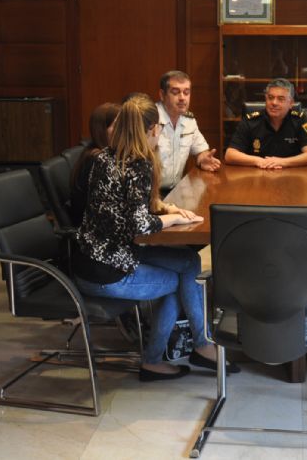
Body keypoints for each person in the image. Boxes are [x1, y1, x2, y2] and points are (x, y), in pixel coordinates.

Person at [73, 93, 239, 381]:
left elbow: (122, 206)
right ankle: (166, 357)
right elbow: (138, 224)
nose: (160, 131)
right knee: (176, 282)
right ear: (152, 130)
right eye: (159, 127)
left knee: (188, 261)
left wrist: (164, 207)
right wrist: (173, 217)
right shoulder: (138, 164)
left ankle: (199, 344)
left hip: (91, 255)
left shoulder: (102, 157)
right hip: (107, 269)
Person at [225, 78, 307, 169]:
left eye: (281, 99)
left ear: (291, 103)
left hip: (290, 177)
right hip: (257, 177)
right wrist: (258, 161)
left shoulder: (299, 120)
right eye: (270, 98)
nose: (274, 103)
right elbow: (230, 155)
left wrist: (283, 162)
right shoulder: (251, 121)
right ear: (265, 100)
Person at [156, 70, 220, 194]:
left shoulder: (189, 121)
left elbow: (201, 151)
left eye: (186, 92)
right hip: (149, 194)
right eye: (175, 92)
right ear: (162, 95)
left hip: (176, 191)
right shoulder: (150, 120)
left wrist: (203, 159)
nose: (182, 98)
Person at [69, 102, 120, 227]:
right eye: (117, 126)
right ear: (102, 130)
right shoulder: (97, 160)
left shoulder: (105, 153)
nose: (123, 131)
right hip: (94, 232)